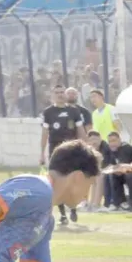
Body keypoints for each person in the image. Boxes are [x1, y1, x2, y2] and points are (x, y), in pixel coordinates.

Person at [38, 84, 87, 226]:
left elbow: (81, 130)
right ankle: (63, 214)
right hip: (55, 152)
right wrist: (41, 153)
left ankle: (72, 208)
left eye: (62, 92)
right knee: (57, 182)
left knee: (71, 181)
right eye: (57, 92)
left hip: (71, 152)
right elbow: (44, 134)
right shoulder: (48, 112)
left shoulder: (74, 111)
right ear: (52, 95)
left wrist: (86, 147)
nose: (60, 94)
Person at [106, 131, 132, 210]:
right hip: (131, 170)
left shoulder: (125, 148)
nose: (112, 143)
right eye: (110, 141)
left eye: (114, 140)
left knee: (129, 176)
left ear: (120, 139)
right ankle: (117, 203)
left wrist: (117, 169)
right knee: (111, 175)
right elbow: (113, 165)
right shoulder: (113, 151)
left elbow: (128, 164)